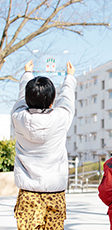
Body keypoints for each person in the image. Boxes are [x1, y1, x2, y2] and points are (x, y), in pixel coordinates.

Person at [12, 60, 76, 230]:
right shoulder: (61, 118)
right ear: (52, 100)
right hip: (54, 193)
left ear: (27, 99)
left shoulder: (18, 117)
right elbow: (67, 99)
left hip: (27, 194)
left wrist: (27, 74)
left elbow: (21, 98)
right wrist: (69, 78)